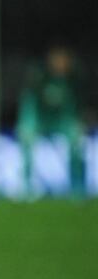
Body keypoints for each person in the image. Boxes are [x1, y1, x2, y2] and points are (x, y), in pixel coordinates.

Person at [16, 42, 88, 199]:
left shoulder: (73, 80)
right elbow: (30, 102)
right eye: (58, 60)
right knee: (27, 139)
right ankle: (26, 187)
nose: (61, 64)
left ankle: (78, 189)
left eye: (64, 60)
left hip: (61, 121)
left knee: (76, 143)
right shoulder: (40, 78)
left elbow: (75, 107)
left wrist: (77, 124)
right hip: (40, 120)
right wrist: (26, 123)